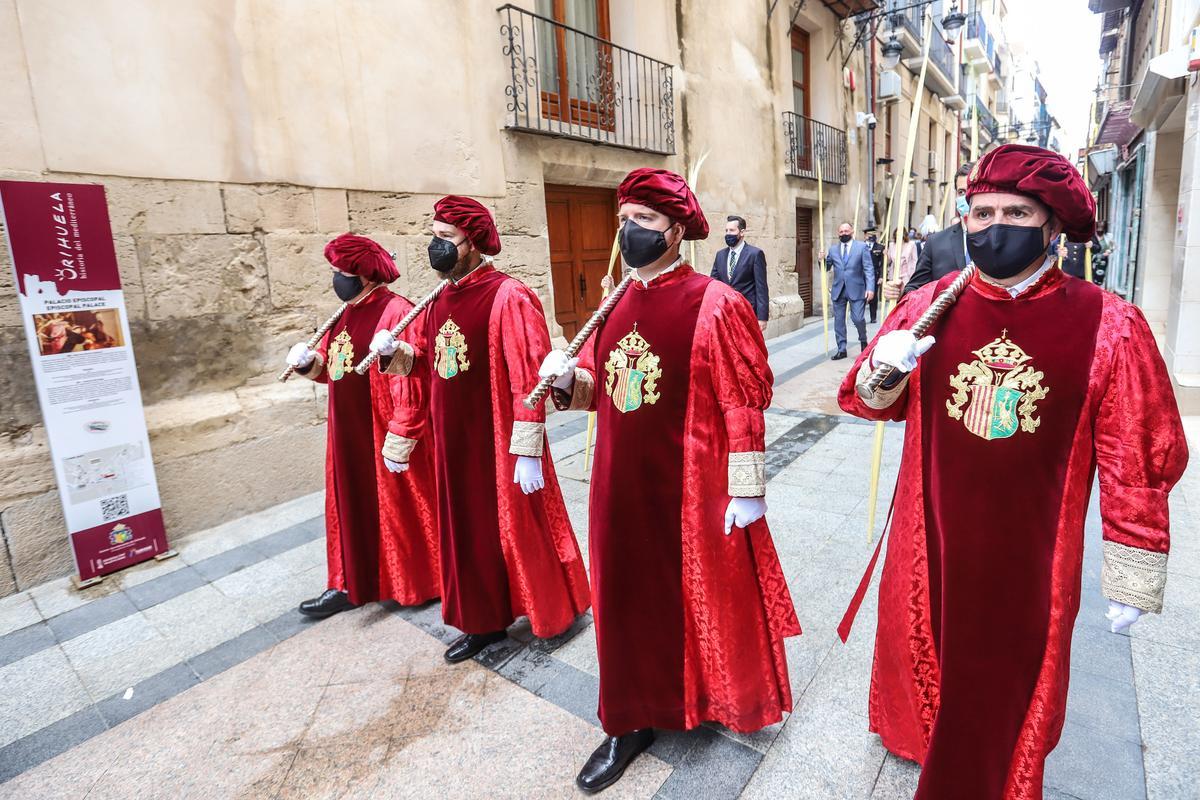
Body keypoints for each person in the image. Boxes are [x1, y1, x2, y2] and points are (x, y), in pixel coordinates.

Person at [838, 144, 1188, 799]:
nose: (993, 225)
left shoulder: (1109, 325)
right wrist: (886, 365)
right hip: (933, 529)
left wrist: (1134, 565)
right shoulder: (932, 304)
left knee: (1007, 689)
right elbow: (865, 401)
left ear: (1051, 225)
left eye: (1016, 212)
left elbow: (1138, 450)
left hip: (1030, 551)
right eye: (981, 212)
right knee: (929, 661)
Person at [539, 168, 801, 794]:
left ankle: (702, 695)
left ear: (676, 231)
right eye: (625, 221)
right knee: (624, 599)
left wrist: (747, 486)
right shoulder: (612, 302)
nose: (630, 232)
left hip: (690, 484)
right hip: (616, 483)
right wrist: (563, 381)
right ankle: (628, 720)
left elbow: (744, 401)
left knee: (697, 598)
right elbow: (598, 393)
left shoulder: (716, 305)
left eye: (645, 223)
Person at [371, 195, 590, 664]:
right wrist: (395, 354)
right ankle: (483, 622)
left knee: (523, 528)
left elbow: (527, 376)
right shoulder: (437, 299)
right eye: (433, 235)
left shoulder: (508, 296)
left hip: (497, 439)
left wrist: (528, 447)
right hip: (453, 440)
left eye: (445, 238)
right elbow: (428, 362)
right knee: (467, 533)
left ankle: (556, 609)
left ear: (471, 242)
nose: (436, 245)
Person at [285, 234, 440, 619]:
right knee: (350, 506)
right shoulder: (345, 313)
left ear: (363, 274)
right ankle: (350, 581)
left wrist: (402, 434)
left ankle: (413, 581)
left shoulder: (395, 311)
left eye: (340, 271)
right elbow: (335, 370)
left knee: (399, 508)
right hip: (347, 430)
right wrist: (308, 363)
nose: (336, 278)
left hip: (382, 429)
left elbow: (412, 378)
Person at [887, 162, 974, 299]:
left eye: (970, 190)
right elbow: (915, 289)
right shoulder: (936, 243)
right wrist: (900, 293)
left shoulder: (1000, 239)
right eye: (961, 192)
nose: (965, 197)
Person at [822, 221, 875, 359]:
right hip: (838, 290)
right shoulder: (833, 250)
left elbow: (868, 268)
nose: (844, 233)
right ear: (838, 234)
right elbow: (826, 267)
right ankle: (842, 349)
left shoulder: (861, 247)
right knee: (838, 321)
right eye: (841, 231)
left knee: (857, 318)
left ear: (852, 232)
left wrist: (870, 288)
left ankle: (863, 340)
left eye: (846, 231)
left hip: (857, 289)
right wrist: (821, 260)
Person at [710, 215, 770, 332]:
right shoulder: (720, 255)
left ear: (741, 232)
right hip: (725, 313)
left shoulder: (755, 254)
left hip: (747, 313)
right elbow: (714, 283)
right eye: (726, 230)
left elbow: (761, 288)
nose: (728, 234)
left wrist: (762, 317)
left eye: (732, 230)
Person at [864, 227, 885, 323]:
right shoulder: (861, 246)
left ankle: (873, 317)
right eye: (869, 234)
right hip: (862, 275)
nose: (871, 236)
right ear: (865, 235)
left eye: (873, 234)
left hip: (875, 275)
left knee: (874, 296)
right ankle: (860, 316)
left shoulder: (880, 247)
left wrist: (881, 276)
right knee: (861, 296)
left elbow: (883, 264)